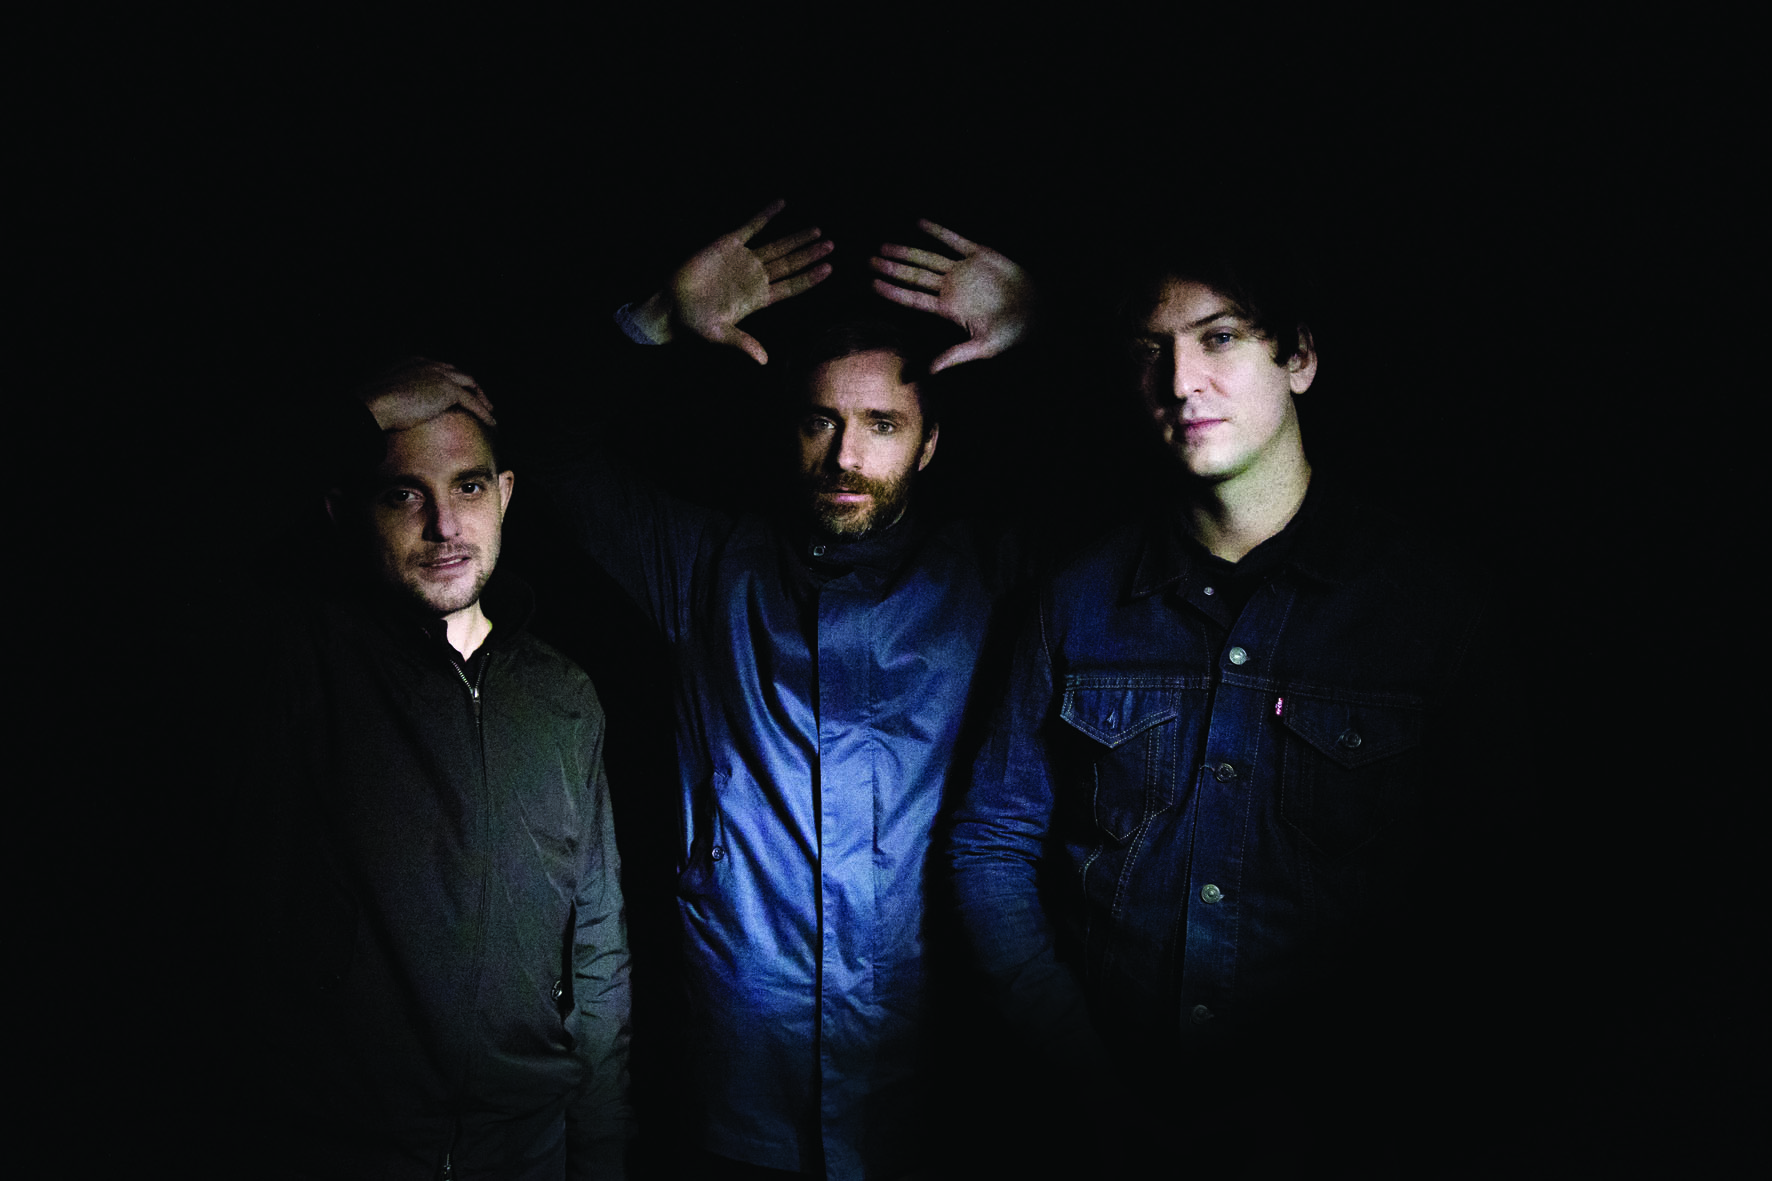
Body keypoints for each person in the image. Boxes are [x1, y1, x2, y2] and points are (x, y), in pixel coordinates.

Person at [948, 232, 1505, 1173]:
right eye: (1151, 351)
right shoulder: (1075, 599)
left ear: (1300, 357)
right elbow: (991, 845)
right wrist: (1090, 1083)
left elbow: (1490, 887)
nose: (1180, 382)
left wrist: (1345, 1102)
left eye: (1219, 338)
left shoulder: (1429, 607)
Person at [535, 202, 1034, 1179]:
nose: (845, 456)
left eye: (881, 425)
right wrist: (649, 321)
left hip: (921, 1093)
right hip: (735, 1093)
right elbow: (542, 455)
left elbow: (1161, 492)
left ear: (929, 443)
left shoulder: (989, 578)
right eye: (820, 421)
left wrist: (1050, 326)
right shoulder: (708, 567)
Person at [233, 369, 632, 1179]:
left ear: (505, 494)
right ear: (346, 511)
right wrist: (361, 413)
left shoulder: (564, 696)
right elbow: (151, 544)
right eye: (403, 494)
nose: (444, 524)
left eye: (468, 486)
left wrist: (599, 1158)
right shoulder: (296, 664)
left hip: (526, 1150)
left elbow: (597, 953)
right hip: (341, 1150)